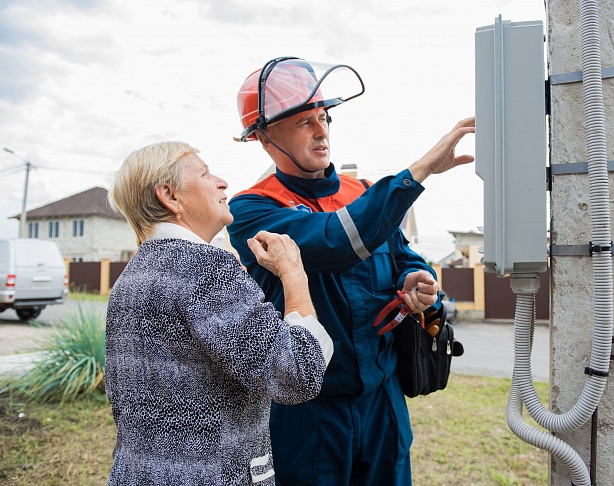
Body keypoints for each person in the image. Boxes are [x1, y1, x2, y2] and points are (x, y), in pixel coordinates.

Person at [227, 57, 475, 485]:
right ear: (265, 138)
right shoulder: (251, 209)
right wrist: (419, 171)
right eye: (304, 121)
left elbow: (402, 255)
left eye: (323, 117)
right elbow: (336, 241)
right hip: (309, 413)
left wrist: (416, 280)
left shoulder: (362, 192)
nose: (321, 130)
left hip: (382, 399)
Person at [105, 141, 333, 485]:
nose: (222, 182)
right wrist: (293, 273)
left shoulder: (129, 279)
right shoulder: (206, 267)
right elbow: (297, 373)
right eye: (205, 174)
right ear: (170, 195)